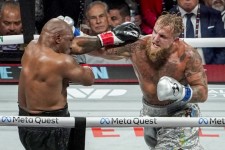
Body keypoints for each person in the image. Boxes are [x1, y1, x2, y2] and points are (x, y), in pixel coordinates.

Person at [70, 13, 208, 149]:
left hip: (179, 112)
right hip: (149, 111)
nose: (155, 38)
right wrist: (75, 32)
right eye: (155, 32)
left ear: (175, 40)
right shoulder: (138, 47)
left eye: (163, 36)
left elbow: (202, 92)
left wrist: (181, 92)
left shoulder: (188, 56)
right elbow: (98, 51)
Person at [17, 18, 94, 150]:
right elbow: (89, 79)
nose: (70, 45)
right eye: (69, 40)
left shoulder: (30, 47)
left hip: (24, 121)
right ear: (58, 38)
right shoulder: (62, 61)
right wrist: (83, 62)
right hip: (50, 125)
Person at [170, 0, 225, 64]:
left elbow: (222, 49)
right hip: (176, 68)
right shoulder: (167, 16)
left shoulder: (213, 15)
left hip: (208, 67)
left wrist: (213, 69)